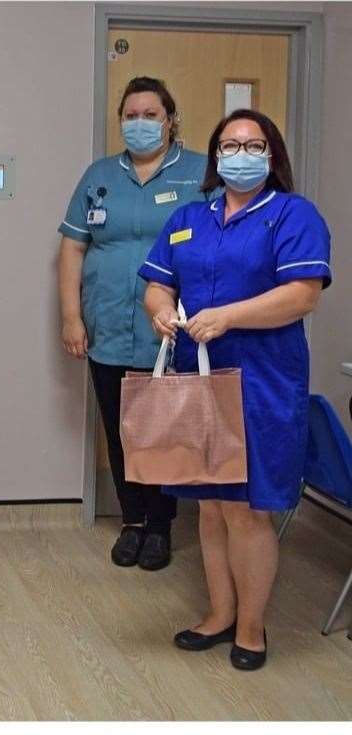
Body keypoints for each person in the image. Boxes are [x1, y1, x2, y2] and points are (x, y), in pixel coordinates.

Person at [140, 109, 331, 670]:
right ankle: (219, 614)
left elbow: (302, 295)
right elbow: (158, 282)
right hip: (196, 380)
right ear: (214, 155)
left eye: (253, 144)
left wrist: (226, 317)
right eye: (229, 144)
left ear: (271, 155)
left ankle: (251, 627)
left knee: (248, 510)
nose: (240, 154)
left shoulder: (293, 215)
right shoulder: (188, 218)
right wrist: (160, 312)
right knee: (211, 507)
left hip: (262, 382)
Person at [57, 76, 208, 570]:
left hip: (170, 329)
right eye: (130, 115)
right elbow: (73, 247)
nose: (139, 124)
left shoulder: (199, 173)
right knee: (120, 429)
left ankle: (162, 524)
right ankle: (133, 521)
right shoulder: (100, 175)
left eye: (150, 115)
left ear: (170, 121)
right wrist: (72, 317)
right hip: (108, 324)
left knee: (162, 428)